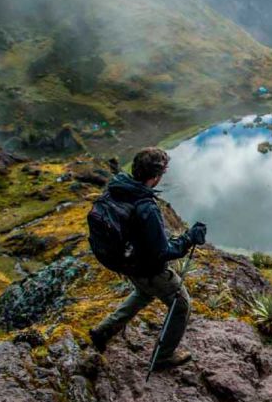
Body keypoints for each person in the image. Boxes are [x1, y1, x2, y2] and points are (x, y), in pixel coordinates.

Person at [88, 147, 206, 370]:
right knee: (180, 305)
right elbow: (163, 252)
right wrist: (189, 238)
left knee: (143, 294)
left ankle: (103, 331)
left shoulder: (119, 189)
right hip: (149, 269)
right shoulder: (146, 207)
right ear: (156, 176)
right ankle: (162, 357)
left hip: (127, 264)